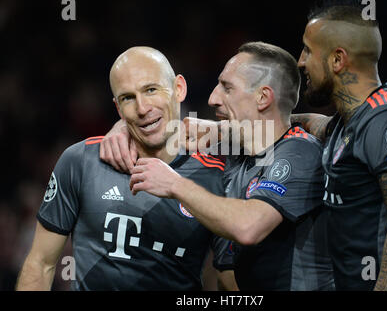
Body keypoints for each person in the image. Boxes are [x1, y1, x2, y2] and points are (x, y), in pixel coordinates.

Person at [102, 42, 335, 290]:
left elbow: (248, 228)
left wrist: (174, 184)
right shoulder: (239, 152)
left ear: (263, 97)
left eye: (227, 88)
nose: (213, 99)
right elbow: (157, 126)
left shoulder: (299, 153)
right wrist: (123, 127)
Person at [16, 47, 233, 290]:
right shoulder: (81, 161)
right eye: (128, 98)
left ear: (179, 89)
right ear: (118, 108)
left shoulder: (217, 179)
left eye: (151, 90)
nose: (142, 108)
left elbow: (230, 281)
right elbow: (41, 263)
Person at [292, 0, 387, 290]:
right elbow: (315, 124)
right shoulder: (351, 122)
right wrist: (236, 127)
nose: (301, 62)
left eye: (308, 51)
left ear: (337, 59)